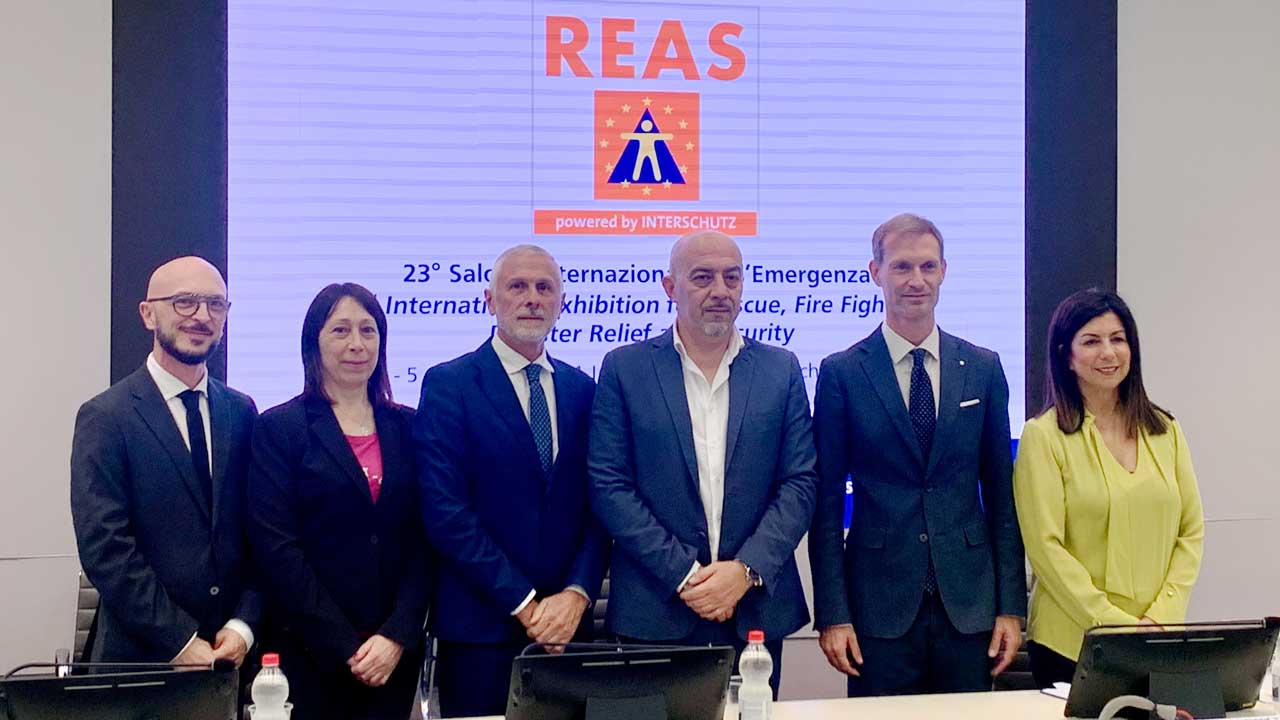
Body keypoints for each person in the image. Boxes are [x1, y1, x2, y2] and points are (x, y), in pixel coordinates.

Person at [588, 230, 818, 697]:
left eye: (732, 278)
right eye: (702, 277)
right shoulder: (625, 368)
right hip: (656, 610)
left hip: (753, 612)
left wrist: (745, 570)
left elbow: (800, 482)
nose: (720, 291)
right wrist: (687, 575)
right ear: (669, 287)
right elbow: (609, 485)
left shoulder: (780, 369)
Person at [809, 213, 1027, 696]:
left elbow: (1001, 497)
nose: (916, 280)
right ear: (876, 272)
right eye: (902, 267)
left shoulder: (983, 367)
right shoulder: (842, 373)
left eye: (928, 266)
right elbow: (825, 506)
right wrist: (834, 615)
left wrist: (1011, 607)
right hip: (878, 608)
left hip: (968, 605)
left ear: (944, 271)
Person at [414, 245, 608, 718]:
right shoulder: (450, 384)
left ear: (561, 302)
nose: (532, 298)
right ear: (489, 300)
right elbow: (445, 512)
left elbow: (599, 505)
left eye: (545, 288)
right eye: (517, 286)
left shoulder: (583, 390)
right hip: (481, 633)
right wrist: (525, 604)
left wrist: (577, 594)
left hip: (569, 633)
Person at [247, 283, 430, 719]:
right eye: (341, 330)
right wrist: (346, 645)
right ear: (313, 342)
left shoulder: (410, 427)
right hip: (308, 654)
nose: (356, 344)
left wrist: (397, 634)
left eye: (368, 330)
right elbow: (277, 549)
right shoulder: (280, 429)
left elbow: (425, 540)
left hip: (393, 657)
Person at [70, 256, 259, 667]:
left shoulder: (242, 411)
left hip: (232, 658)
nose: (202, 316)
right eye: (184, 302)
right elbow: (105, 546)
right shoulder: (106, 417)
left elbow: (260, 532)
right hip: (140, 665)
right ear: (148, 314)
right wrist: (181, 641)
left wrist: (243, 625)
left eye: (215, 304)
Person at [1013, 289, 1204, 687]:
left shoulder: (1165, 431)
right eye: (1091, 341)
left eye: (1118, 339)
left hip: (1157, 637)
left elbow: (1190, 532)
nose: (1108, 353)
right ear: (1066, 355)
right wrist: (1113, 624)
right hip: (1073, 644)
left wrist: (1160, 618)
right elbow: (1046, 548)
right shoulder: (1043, 437)